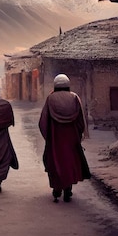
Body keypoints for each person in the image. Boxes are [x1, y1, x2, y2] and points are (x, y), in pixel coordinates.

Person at [39, 74, 91, 202]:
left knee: (55, 163)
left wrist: (48, 138)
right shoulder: (74, 98)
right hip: (71, 139)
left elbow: (43, 122)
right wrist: (78, 135)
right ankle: (68, 189)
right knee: (69, 163)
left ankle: (57, 189)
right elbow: (81, 121)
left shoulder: (50, 99)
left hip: (55, 140)